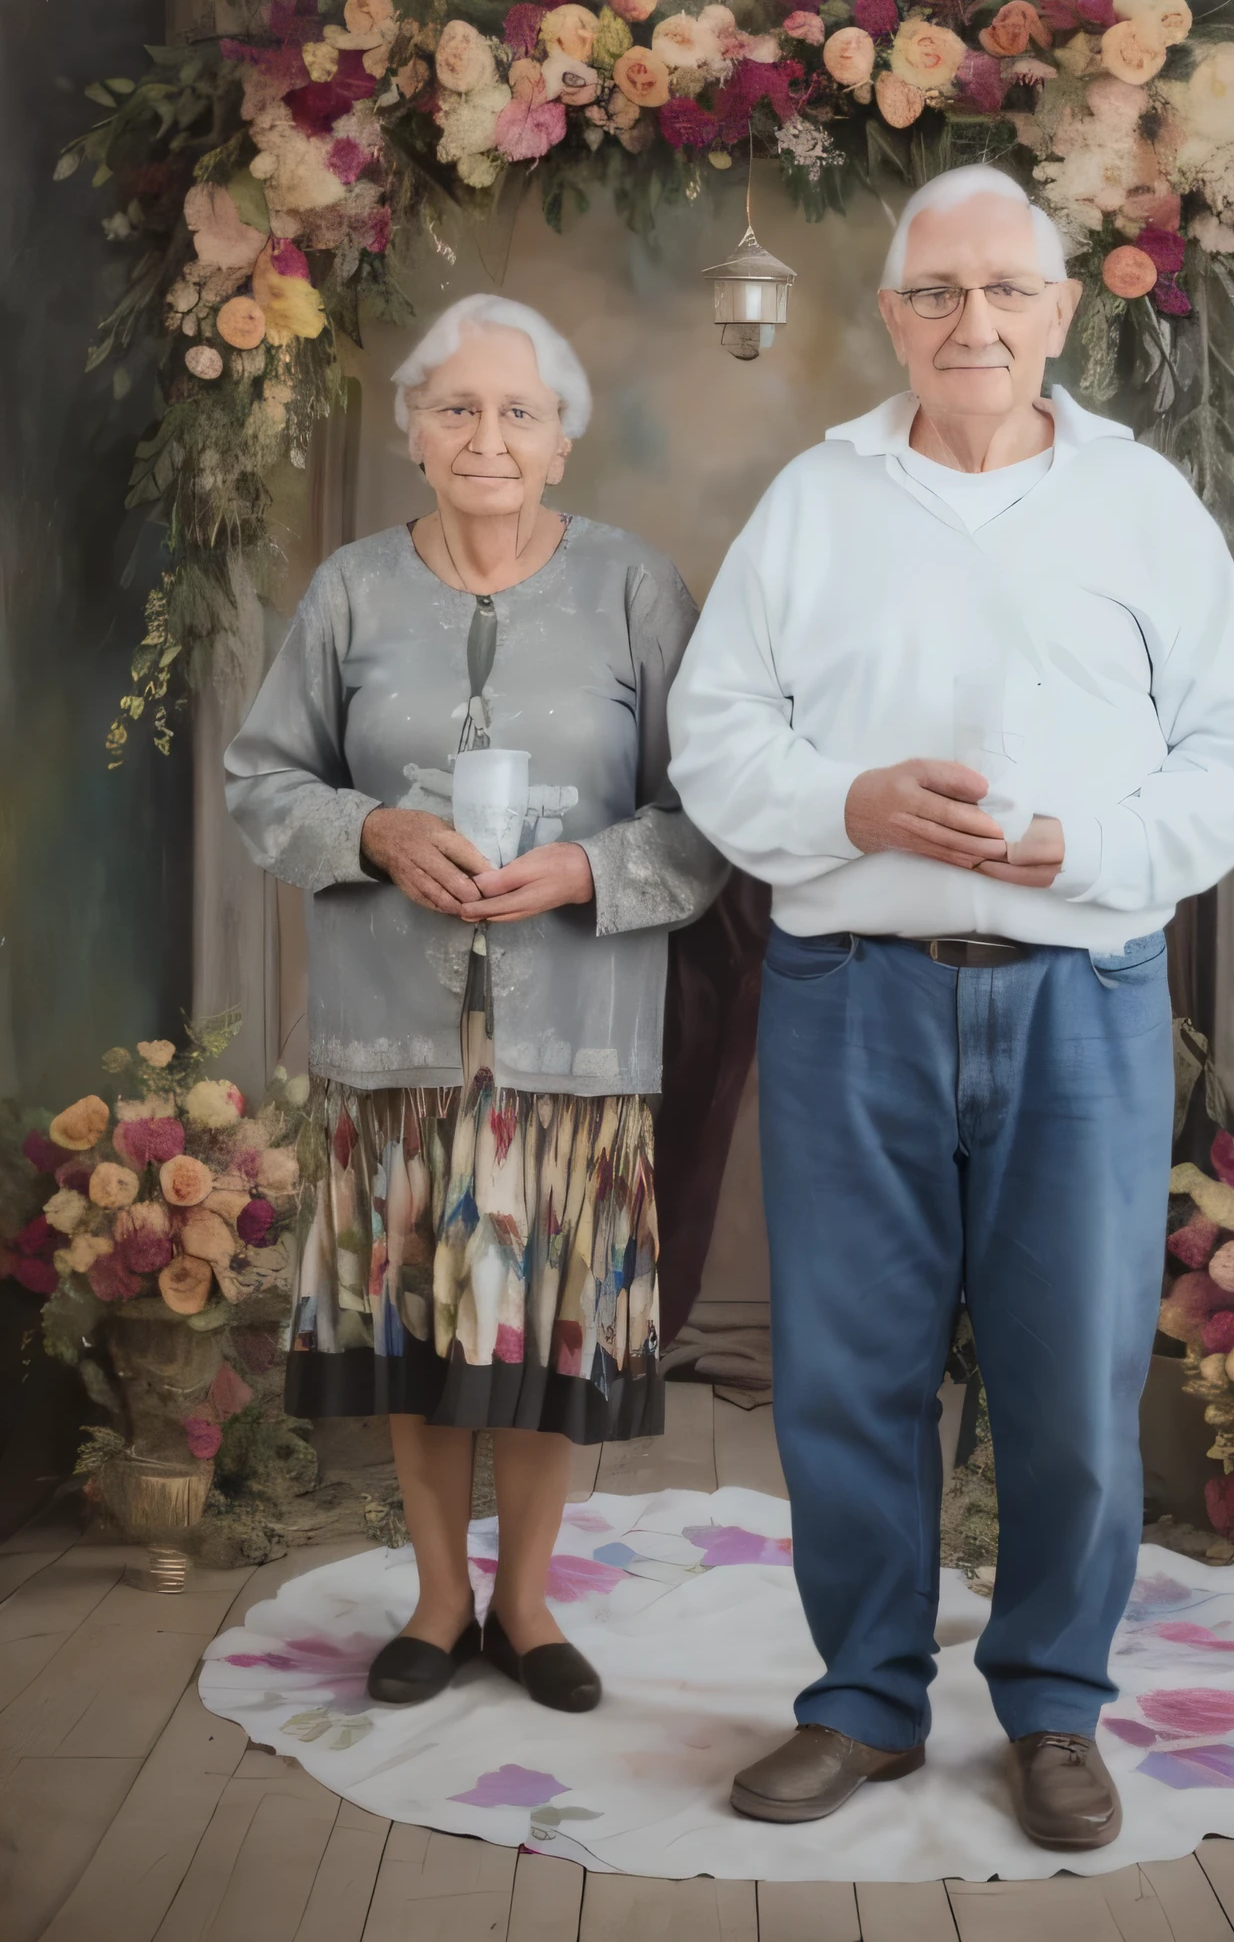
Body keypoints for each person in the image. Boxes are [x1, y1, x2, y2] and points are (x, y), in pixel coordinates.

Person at [667, 166, 1234, 1850]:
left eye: (1007, 292)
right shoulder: (814, 498)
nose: (974, 323)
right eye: (937, 295)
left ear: (1061, 313)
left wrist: (1090, 847)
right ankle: (864, 1704)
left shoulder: (1147, 506)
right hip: (849, 993)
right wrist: (849, 808)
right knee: (847, 1375)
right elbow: (716, 740)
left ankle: (1055, 1710)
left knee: (1073, 1377)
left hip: (1083, 993)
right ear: (891, 318)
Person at [226, 294, 726, 1713]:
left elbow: (711, 816)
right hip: (394, 1040)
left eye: (519, 412)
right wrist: (377, 834)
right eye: (457, 408)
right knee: (420, 1326)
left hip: (579, 1036)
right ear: (414, 436)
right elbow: (264, 783)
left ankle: (527, 1600)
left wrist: (589, 865)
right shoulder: (349, 591)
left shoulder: (638, 588)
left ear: (561, 443)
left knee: (553, 1327)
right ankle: (441, 1600)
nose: (488, 437)